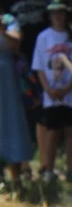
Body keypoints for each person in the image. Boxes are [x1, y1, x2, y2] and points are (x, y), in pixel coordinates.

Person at [0, 0, 54, 163]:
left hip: (47, 60)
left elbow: (61, 20)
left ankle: (45, 164)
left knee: (45, 111)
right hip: (18, 62)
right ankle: (21, 164)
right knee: (19, 113)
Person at [31, 0, 72, 183]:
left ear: (66, 14)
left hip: (71, 92)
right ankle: (49, 169)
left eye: (61, 12)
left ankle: (70, 169)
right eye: (54, 13)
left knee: (71, 131)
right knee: (52, 131)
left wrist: (67, 88)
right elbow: (39, 66)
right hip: (51, 93)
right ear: (49, 15)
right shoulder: (43, 37)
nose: (58, 16)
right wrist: (48, 89)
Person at [0, 12, 32, 191]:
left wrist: (1, 30)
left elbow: (15, 45)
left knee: (11, 125)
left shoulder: (8, 20)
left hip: (5, 82)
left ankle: (16, 179)